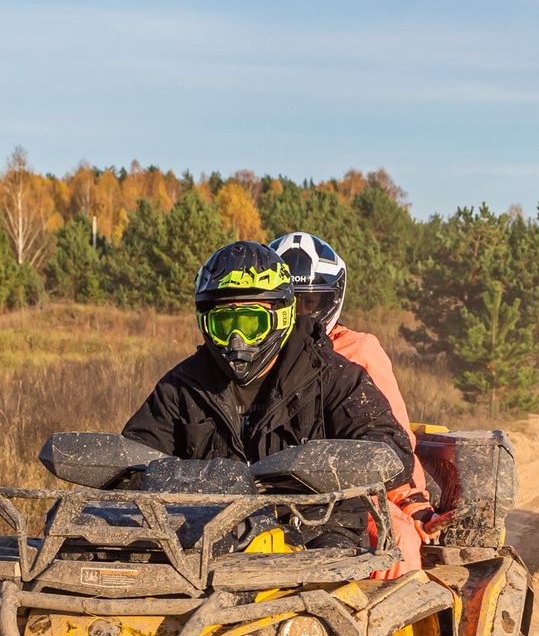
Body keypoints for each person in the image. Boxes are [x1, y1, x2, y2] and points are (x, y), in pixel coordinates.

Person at [121, 240, 414, 560]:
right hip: (203, 540)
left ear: (282, 317)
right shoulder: (182, 386)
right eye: (224, 324)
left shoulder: (333, 377)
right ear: (205, 324)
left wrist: (310, 466)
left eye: (251, 323)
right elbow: (130, 463)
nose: (237, 341)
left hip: (318, 535)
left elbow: (393, 450)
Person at [269, 232, 435, 562]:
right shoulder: (253, 356)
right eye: (288, 302)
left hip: (350, 494)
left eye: (309, 302)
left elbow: (394, 437)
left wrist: (410, 499)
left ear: (331, 299)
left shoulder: (358, 350)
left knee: (399, 539)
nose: (299, 314)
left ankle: (406, 598)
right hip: (268, 495)